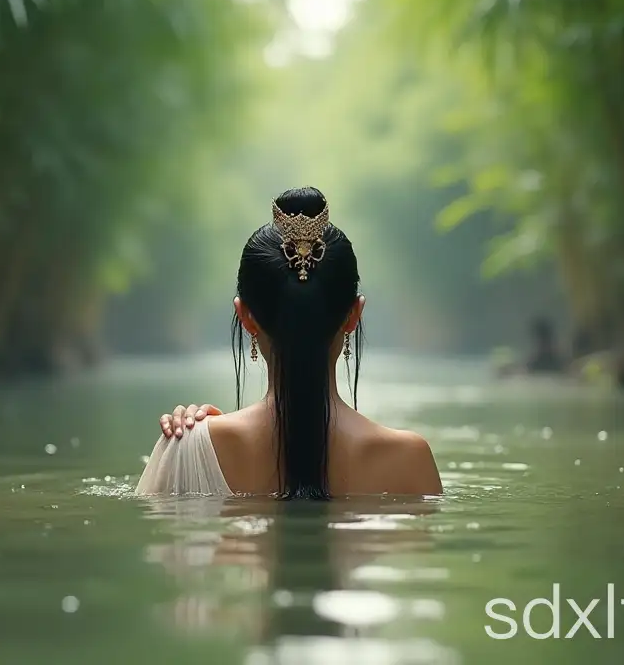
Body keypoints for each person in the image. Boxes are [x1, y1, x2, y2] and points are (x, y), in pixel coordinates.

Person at [136, 187, 443, 499]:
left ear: (245, 318)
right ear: (355, 315)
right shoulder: (409, 460)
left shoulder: (187, 446)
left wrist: (192, 441)